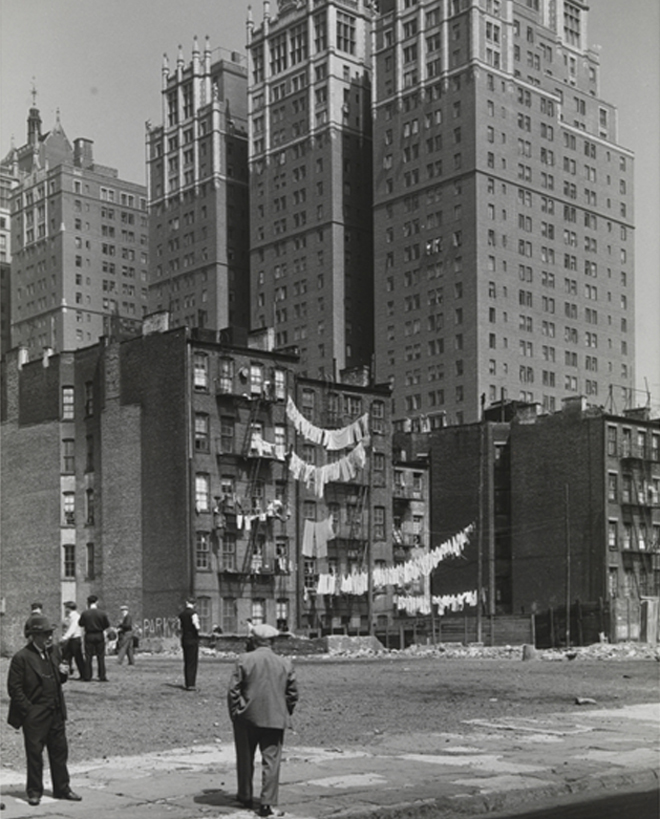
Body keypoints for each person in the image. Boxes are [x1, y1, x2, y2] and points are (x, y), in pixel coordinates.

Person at [7, 614, 82, 806]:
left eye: (50, 633)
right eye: (45, 634)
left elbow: (59, 679)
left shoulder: (55, 652)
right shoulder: (21, 658)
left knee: (59, 752)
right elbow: (14, 689)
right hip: (35, 715)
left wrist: (64, 674)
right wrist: (29, 711)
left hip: (55, 711)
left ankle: (62, 788)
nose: (50, 637)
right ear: (33, 636)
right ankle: (34, 791)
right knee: (34, 755)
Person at [227, 623, 299, 817]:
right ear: (273, 642)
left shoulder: (244, 660)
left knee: (244, 759)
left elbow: (233, 691)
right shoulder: (285, 663)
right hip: (275, 718)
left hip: (247, 717)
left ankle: (245, 795)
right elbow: (292, 694)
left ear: (254, 640)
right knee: (271, 762)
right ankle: (267, 803)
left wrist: (235, 713)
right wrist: (284, 710)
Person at [79, 595, 110, 682]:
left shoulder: (85, 613)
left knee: (88, 656)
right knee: (101, 656)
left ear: (88, 603)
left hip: (89, 635)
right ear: (97, 602)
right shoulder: (102, 613)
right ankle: (102, 675)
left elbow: (80, 624)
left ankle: (88, 676)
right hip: (99, 634)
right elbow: (107, 625)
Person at [178, 598, 200, 691]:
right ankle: (191, 684)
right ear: (194, 604)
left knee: (186, 661)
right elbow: (197, 626)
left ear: (186, 603)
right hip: (192, 639)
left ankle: (187, 683)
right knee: (193, 662)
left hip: (184, 638)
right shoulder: (193, 614)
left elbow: (179, 627)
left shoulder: (181, 614)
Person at [60, 602, 85, 679]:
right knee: (66, 656)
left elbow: (72, 629)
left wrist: (64, 637)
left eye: (66, 608)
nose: (65, 610)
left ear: (69, 608)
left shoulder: (76, 617)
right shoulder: (69, 617)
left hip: (75, 639)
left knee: (78, 657)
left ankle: (84, 674)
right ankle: (65, 673)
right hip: (71, 639)